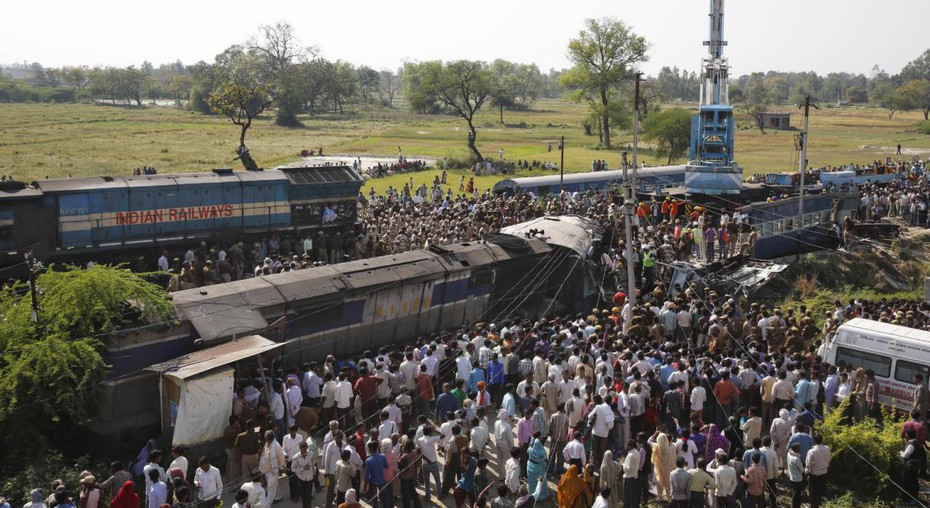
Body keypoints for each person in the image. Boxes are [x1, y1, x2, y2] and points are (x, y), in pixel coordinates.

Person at [258, 430, 285, 506]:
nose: (264, 439)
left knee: (270, 491)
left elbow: (281, 457)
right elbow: (263, 455)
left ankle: (266, 505)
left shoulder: (276, 446)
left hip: (273, 471)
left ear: (268, 439)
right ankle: (278, 496)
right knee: (274, 486)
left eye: (265, 438)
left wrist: (281, 467)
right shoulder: (267, 444)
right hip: (266, 471)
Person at [902, 426, 926, 505]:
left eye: (906, 434)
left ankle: (908, 500)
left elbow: (905, 455)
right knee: (914, 482)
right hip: (916, 467)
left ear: (908, 435)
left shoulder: (911, 445)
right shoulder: (918, 443)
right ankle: (914, 498)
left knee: (908, 483)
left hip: (910, 467)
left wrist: (900, 453)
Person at [806, 434, 830, 508]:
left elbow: (808, 463)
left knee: (813, 490)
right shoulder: (826, 448)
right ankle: (821, 503)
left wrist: (807, 471)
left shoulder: (811, 451)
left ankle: (813, 505)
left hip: (814, 473)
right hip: (824, 471)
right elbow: (829, 459)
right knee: (822, 488)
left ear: (814, 441)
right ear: (822, 440)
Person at [364, 441, 389, 508]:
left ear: (371, 449)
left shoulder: (368, 461)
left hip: (373, 482)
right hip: (382, 481)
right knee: (384, 498)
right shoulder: (382, 457)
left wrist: (365, 484)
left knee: (375, 499)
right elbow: (387, 466)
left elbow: (366, 475)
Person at [652, 432, 676, 502]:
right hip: (668, 468)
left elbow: (653, 459)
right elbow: (673, 457)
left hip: (659, 468)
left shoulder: (656, 447)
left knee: (659, 481)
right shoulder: (670, 448)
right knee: (668, 482)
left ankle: (660, 496)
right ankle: (668, 497)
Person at [291, 442, 316, 508]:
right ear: (299, 449)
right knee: (303, 496)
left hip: (309, 478)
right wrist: (303, 468)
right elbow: (293, 469)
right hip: (301, 478)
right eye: (302, 450)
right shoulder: (296, 457)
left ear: (307, 448)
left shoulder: (311, 454)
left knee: (308, 496)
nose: (304, 451)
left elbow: (313, 465)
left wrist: (314, 474)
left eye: (305, 449)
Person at [526, 435, 549, 500]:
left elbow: (528, 452)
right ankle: (541, 495)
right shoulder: (541, 452)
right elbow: (545, 458)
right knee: (541, 481)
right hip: (539, 468)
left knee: (531, 482)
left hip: (530, 466)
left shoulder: (530, 449)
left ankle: (532, 493)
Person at [622, 439, 641, 508]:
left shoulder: (630, 455)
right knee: (633, 496)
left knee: (627, 496)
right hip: (634, 476)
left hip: (629, 477)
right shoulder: (637, 452)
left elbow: (629, 468)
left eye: (627, 445)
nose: (626, 446)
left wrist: (623, 464)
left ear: (632, 446)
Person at [787, 443, 805, 508]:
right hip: (797, 478)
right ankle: (795, 505)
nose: (800, 449)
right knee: (796, 493)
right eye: (798, 448)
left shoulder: (789, 454)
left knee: (795, 491)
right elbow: (802, 470)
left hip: (791, 476)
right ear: (796, 449)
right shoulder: (796, 459)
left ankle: (796, 504)